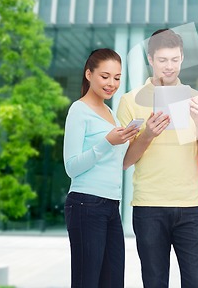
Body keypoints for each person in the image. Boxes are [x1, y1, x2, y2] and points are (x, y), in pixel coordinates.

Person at [117, 28, 198, 288]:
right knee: (154, 281)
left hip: (191, 208)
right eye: (162, 60)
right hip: (149, 206)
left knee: (196, 282)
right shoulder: (130, 101)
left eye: (174, 59)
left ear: (182, 57)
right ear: (150, 59)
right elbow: (124, 161)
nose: (169, 67)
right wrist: (147, 134)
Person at [63, 48, 139, 288]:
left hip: (110, 205)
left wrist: (142, 137)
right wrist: (107, 142)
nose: (111, 83)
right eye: (105, 76)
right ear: (89, 74)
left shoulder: (110, 113)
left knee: (113, 281)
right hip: (86, 204)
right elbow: (71, 167)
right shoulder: (79, 110)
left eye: (117, 77)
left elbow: (120, 162)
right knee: (87, 282)